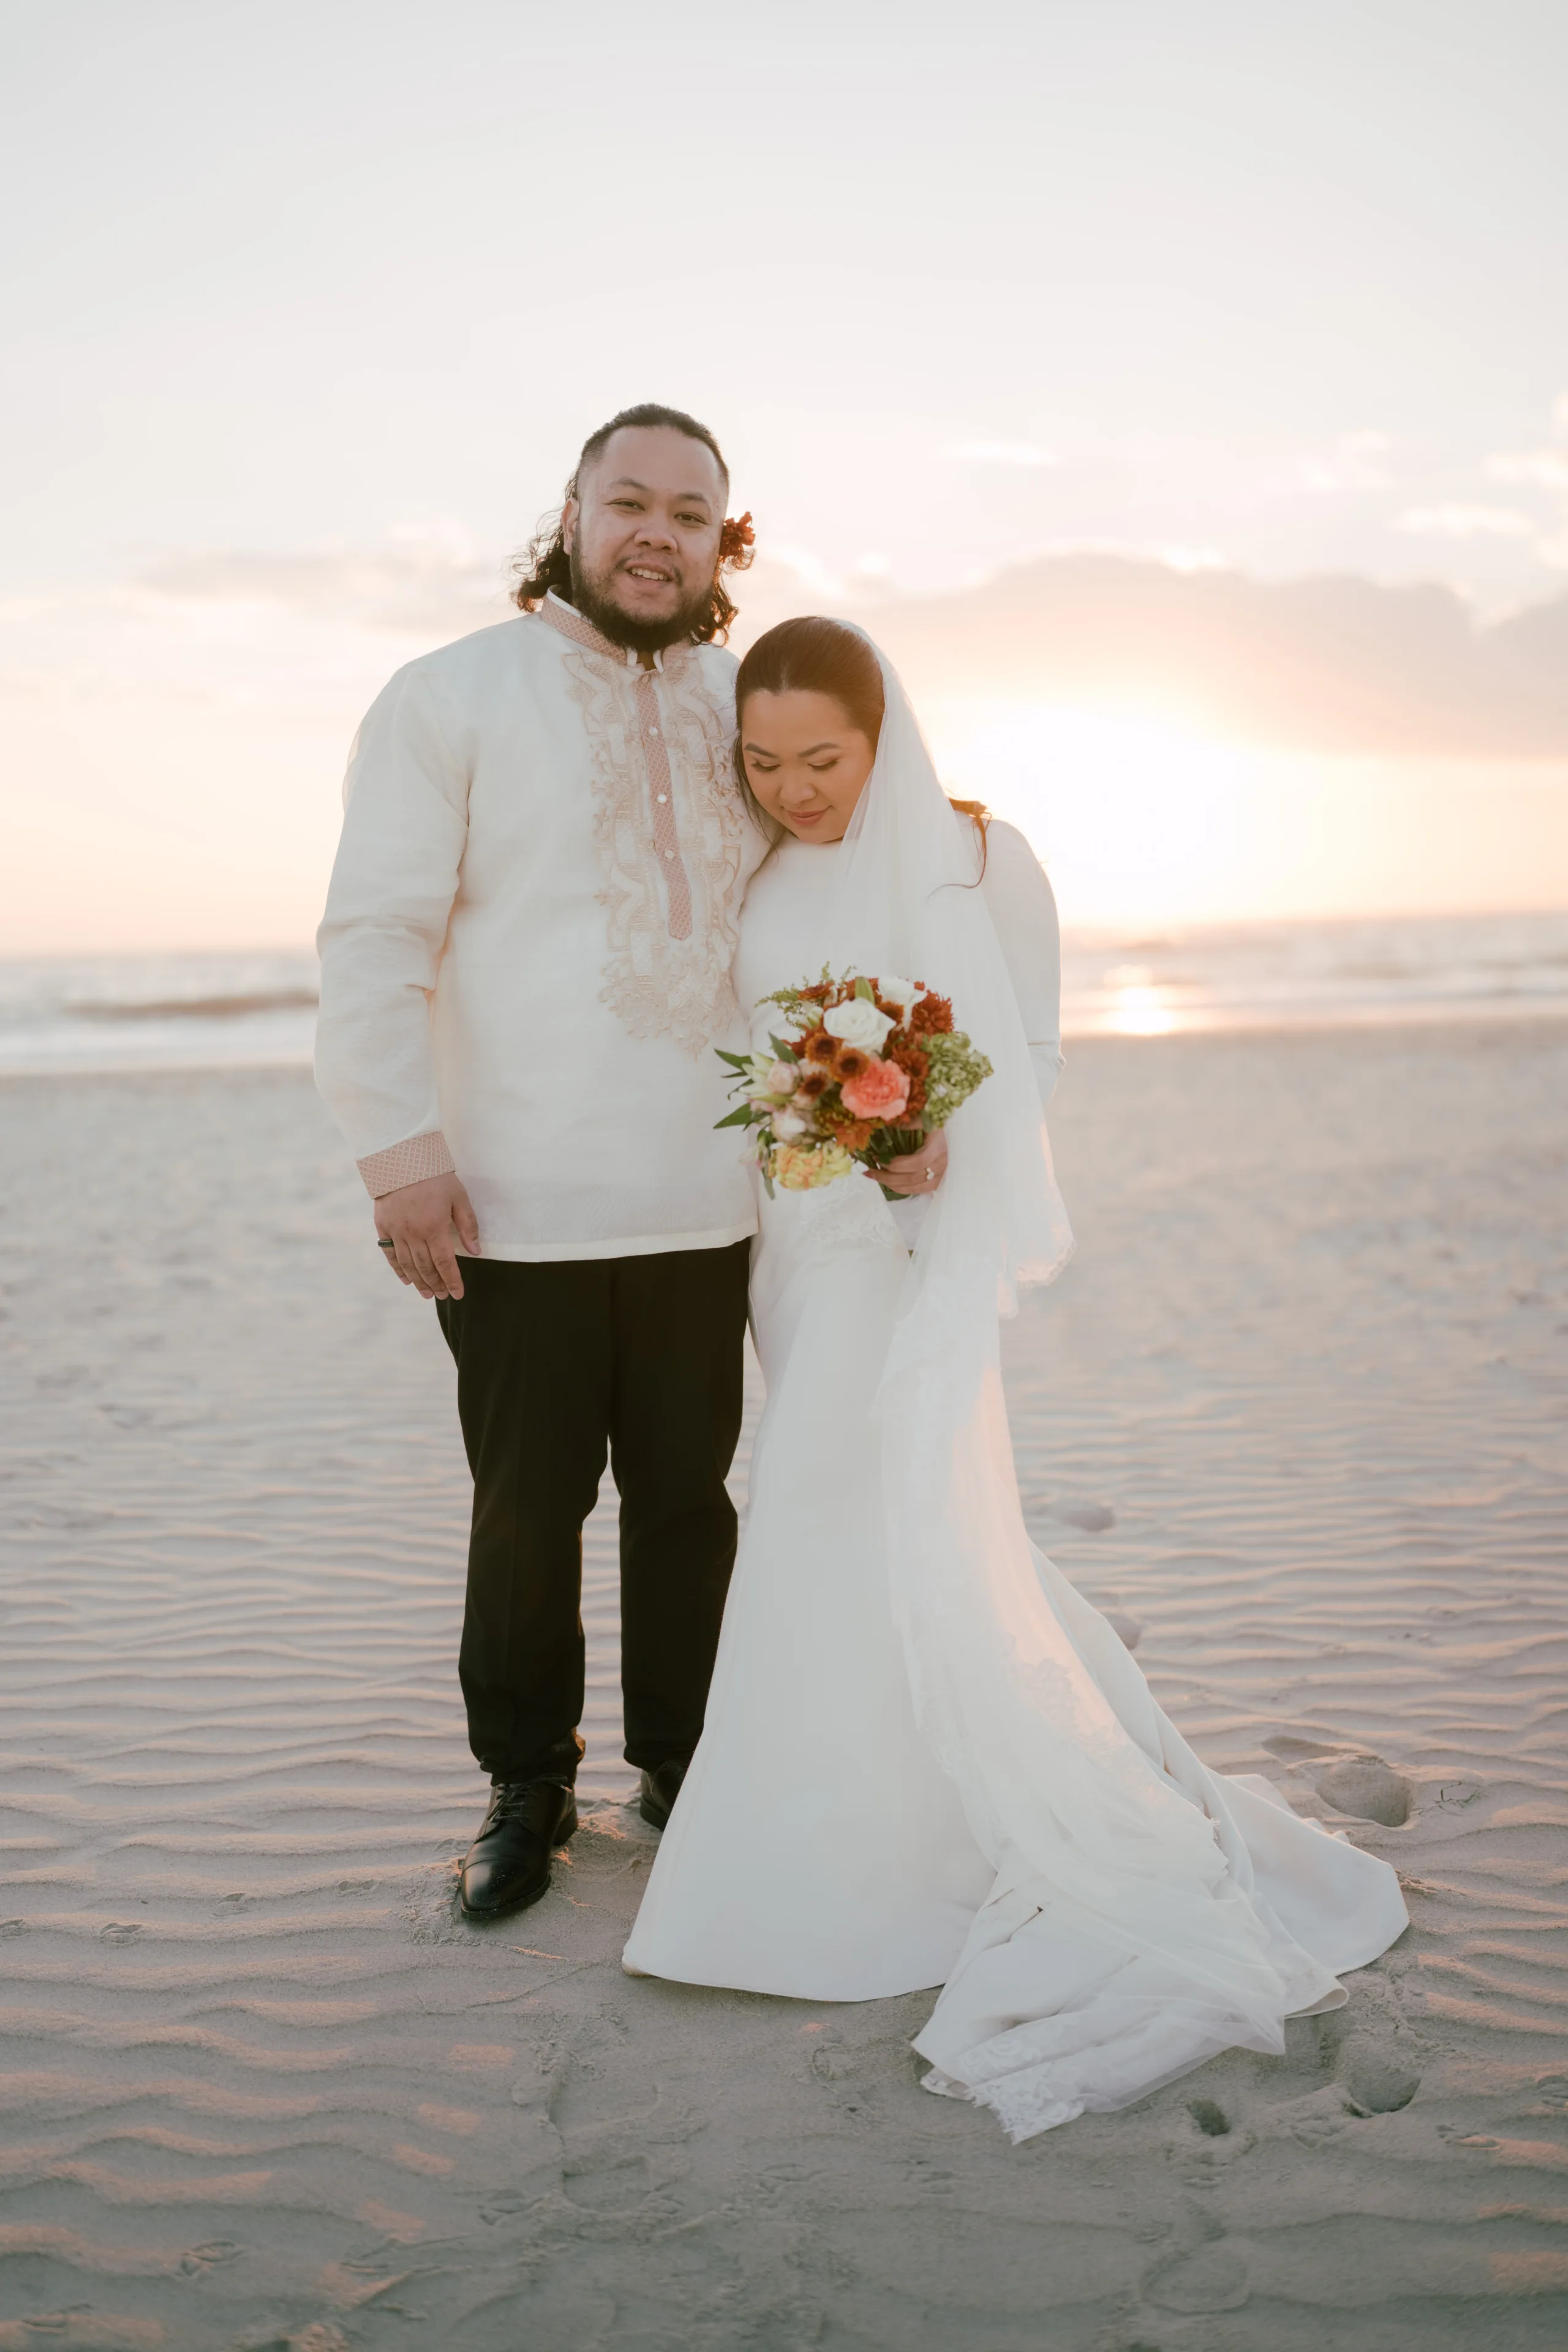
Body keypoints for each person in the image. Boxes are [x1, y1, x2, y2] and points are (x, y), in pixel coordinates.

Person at [622, 618, 1408, 2141]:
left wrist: (928, 1143)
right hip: (799, 1237)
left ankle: (847, 1863)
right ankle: (843, 1811)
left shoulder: (978, 862)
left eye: (820, 758)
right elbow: (749, 1050)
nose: (790, 789)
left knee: (828, 1501)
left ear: (884, 735)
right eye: (762, 762)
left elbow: (1029, 1052)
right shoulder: (762, 873)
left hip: (910, 1246)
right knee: (853, 1515)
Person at [314, 404, 768, 1923]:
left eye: (689, 514)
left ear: (721, 543)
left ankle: (687, 1770)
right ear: (570, 518)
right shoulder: (449, 694)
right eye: (627, 502)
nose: (656, 534)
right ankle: (526, 1786)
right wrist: (397, 1156)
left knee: (687, 1501)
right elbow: (373, 936)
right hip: (514, 1202)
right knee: (526, 1509)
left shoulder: (741, 705)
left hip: (707, 1195)